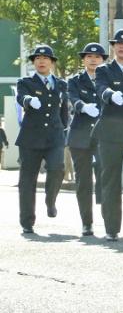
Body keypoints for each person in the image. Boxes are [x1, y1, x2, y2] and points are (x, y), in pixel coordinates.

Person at [16, 45, 69, 234]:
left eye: (45, 58)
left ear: (52, 62)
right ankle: (27, 221)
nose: (41, 61)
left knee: (57, 169)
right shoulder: (25, 82)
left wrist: (65, 129)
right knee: (27, 181)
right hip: (31, 138)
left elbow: (64, 110)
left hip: (54, 136)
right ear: (33, 62)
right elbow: (21, 97)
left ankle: (50, 200)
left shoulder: (61, 84)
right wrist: (29, 100)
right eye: (37, 58)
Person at [94, 30, 123, 241]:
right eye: (117, 44)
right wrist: (110, 95)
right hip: (110, 129)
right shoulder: (104, 69)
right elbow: (100, 88)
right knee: (110, 177)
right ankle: (111, 227)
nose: (121, 47)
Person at [66, 43, 106, 236]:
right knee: (83, 180)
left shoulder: (108, 79)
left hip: (102, 134)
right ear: (83, 60)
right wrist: (83, 106)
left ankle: (108, 218)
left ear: (103, 60)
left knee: (104, 173)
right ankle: (87, 222)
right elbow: (73, 98)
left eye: (97, 56)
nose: (93, 59)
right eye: (89, 56)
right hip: (80, 135)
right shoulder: (74, 80)